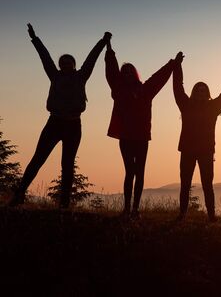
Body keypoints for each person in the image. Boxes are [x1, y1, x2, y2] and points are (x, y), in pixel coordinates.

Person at [9, 23, 110, 208]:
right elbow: (45, 57)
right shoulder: (54, 75)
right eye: (62, 62)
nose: (64, 65)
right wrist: (35, 38)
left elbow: (91, 58)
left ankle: (64, 205)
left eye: (68, 62)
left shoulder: (81, 76)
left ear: (73, 65)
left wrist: (103, 42)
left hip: (73, 125)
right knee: (38, 159)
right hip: (54, 123)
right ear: (60, 66)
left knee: (67, 165)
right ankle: (19, 195)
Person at [105, 38, 180, 218]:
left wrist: (173, 64)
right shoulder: (118, 90)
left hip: (142, 138)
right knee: (130, 171)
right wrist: (109, 49)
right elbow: (111, 71)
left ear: (136, 74)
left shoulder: (146, 90)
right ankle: (126, 209)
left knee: (140, 172)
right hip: (126, 137)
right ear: (122, 76)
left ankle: (135, 209)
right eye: (125, 72)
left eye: (131, 71)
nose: (128, 73)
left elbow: (159, 78)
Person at [173, 59, 221, 222]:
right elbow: (177, 87)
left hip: (206, 152)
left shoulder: (213, 107)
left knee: (207, 185)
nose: (201, 93)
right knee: (185, 184)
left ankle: (211, 216)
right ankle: (182, 215)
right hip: (188, 150)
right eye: (198, 90)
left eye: (204, 91)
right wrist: (177, 66)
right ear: (194, 92)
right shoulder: (186, 105)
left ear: (207, 93)